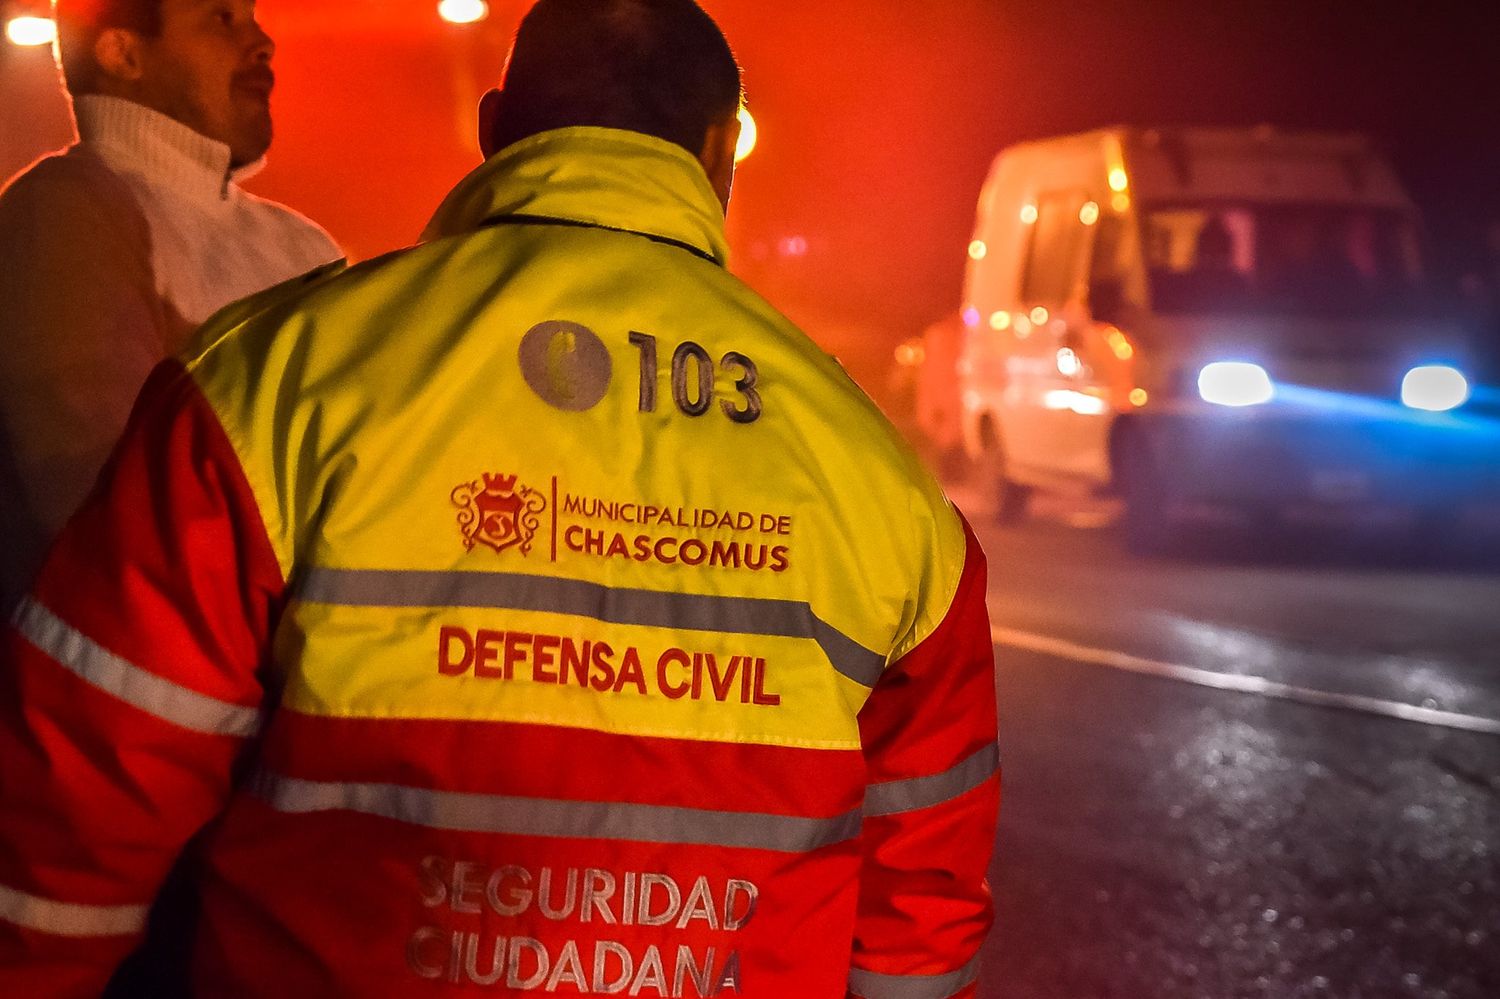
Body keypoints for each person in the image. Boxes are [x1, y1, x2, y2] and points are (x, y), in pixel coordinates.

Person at [0, 0, 999, 994]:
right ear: (717, 154)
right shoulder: (880, 475)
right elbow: (922, 909)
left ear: (493, 131)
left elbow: (84, 792)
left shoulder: (273, 382)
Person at [0, 0, 341, 612]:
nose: (263, 43)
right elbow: (102, 511)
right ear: (123, 54)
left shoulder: (305, 245)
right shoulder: (63, 215)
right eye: (222, 19)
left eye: (252, 16)